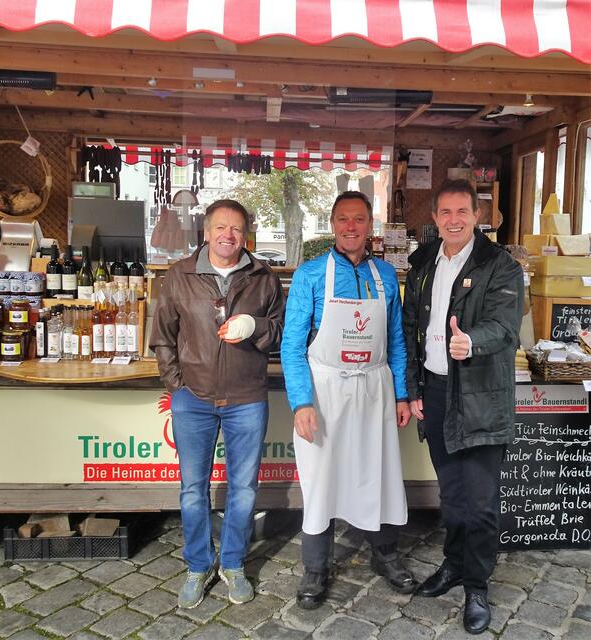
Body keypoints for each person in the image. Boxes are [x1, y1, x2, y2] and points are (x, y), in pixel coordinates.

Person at [281, 191, 417, 610]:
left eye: (359, 219)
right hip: (326, 389)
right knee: (321, 477)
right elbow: (291, 345)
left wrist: (401, 394)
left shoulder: (385, 276)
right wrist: (302, 402)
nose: (351, 227)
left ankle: (386, 555)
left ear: (371, 226)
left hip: (374, 386)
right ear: (333, 224)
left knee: (378, 470)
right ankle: (316, 567)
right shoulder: (309, 275)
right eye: (343, 219)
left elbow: (396, 339)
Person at [402, 179, 523, 635]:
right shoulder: (423, 263)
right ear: (435, 218)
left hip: (480, 395)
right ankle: (453, 565)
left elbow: (505, 327)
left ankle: (477, 585)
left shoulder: (500, 265)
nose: (453, 219)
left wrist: (470, 341)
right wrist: (414, 388)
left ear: (477, 217)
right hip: (434, 390)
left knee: (481, 501)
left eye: (462, 212)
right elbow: (412, 325)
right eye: (445, 212)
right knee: (450, 493)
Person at [150, 199, 284, 609]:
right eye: (221, 227)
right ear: (206, 232)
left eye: (237, 229)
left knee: (243, 488)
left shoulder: (263, 277)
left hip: (246, 398)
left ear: (246, 235)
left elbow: (281, 332)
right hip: (194, 399)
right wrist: (178, 386)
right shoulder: (180, 275)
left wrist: (255, 326)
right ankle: (197, 565)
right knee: (193, 489)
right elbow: (163, 336)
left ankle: (232, 564)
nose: (229, 235)